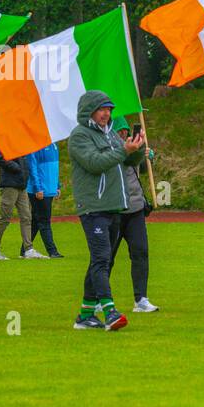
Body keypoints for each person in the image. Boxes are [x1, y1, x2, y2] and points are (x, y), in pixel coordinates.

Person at [68, 91, 146, 331]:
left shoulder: (110, 133)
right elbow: (94, 163)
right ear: (89, 111)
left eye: (109, 109)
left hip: (113, 206)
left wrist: (138, 148)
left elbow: (129, 162)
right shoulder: (79, 136)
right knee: (102, 259)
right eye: (102, 109)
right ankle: (110, 311)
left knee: (99, 260)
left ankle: (85, 316)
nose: (107, 113)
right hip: (94, 208)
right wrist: (124, 150)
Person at [110, 118, 159, 313]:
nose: (123, 134)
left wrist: (147, 156)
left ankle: (141, 299)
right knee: (106, 257)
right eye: (119, 131)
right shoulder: (109, 150)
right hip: (114, 210)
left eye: (124, 131)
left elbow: (143, 171)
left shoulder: (134, 146)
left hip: (136, 208)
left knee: (140, 252)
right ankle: (97, 298)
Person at [0, 146, 45, 260]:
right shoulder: (6, 140)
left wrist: (23, 171)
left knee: (26, 217)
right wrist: (18, 168)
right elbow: (0, 158)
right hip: (9, 185)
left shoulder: (19, 141)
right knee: (4, 218)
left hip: (21, 185)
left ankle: (28, 250)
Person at [27, 142, 63, 258]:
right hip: (40, 190)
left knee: (36, 221)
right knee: (44, 221)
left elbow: (55, 167)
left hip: (49, 188)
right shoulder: (34, 145)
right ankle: (52, 251)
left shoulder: (54, 145)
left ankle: (24, 249)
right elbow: (32, 167)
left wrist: (57, 185)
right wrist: (38, 188)